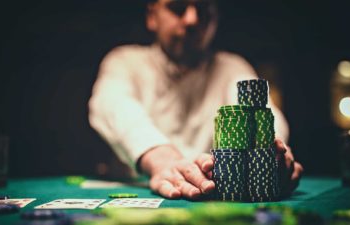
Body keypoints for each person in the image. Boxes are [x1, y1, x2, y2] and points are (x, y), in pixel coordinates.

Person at [88, 0, 303, 199]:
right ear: (152, 17)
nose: (192, 19)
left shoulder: (232, 67)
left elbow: (264, 113)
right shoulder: (124, 61)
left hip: (213, 194)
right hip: (142, 190)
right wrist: (161, 159)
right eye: (178, 7)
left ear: (215, 21)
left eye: (203, 9)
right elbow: (112, 105)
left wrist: (273, 152)